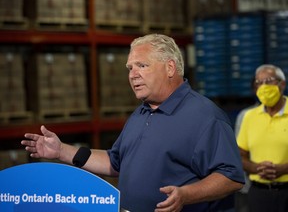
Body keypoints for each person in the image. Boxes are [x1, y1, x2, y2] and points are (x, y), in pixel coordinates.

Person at [22, 34, 244, 212]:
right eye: (130, 68)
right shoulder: (142, 113)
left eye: (142, 66)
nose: (133, 75)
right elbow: (115, 161)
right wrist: (62, 151)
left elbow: (231, 177)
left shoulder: (205, 116)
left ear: (170, 68)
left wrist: (186, 195)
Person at [237, 64, 288, 212]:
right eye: (259, 83)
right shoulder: (248, 117)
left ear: (282, 84)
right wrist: (257, 168)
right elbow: (240, 155)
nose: (263, 86)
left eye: (269, 81)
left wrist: (283, 169)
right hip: (259, 194)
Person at [234, 77, 258, 212]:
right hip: (249, 187)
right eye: (258, 84)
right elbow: (238, 152)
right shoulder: (245, 116)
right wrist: (256, 169)